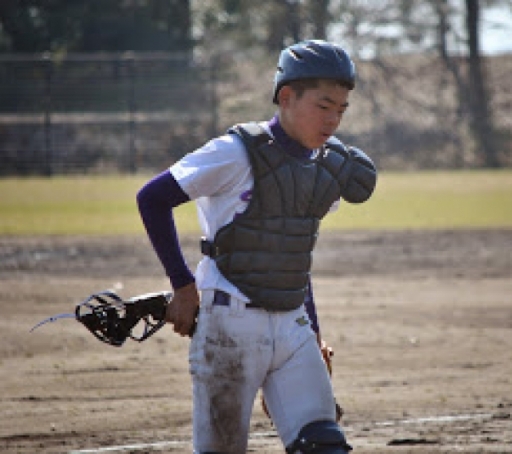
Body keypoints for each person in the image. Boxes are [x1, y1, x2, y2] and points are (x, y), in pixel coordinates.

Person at [136, 39, 377, 454]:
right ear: (286, 97)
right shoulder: (235, 152)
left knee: (323, 444)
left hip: (293, 328)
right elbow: (152, 198)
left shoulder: (322, 167)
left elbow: (291, 253)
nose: (333, 119)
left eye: (341, 109)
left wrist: (315, 333)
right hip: (229, 326)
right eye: (323, 106)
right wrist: (183, 286)